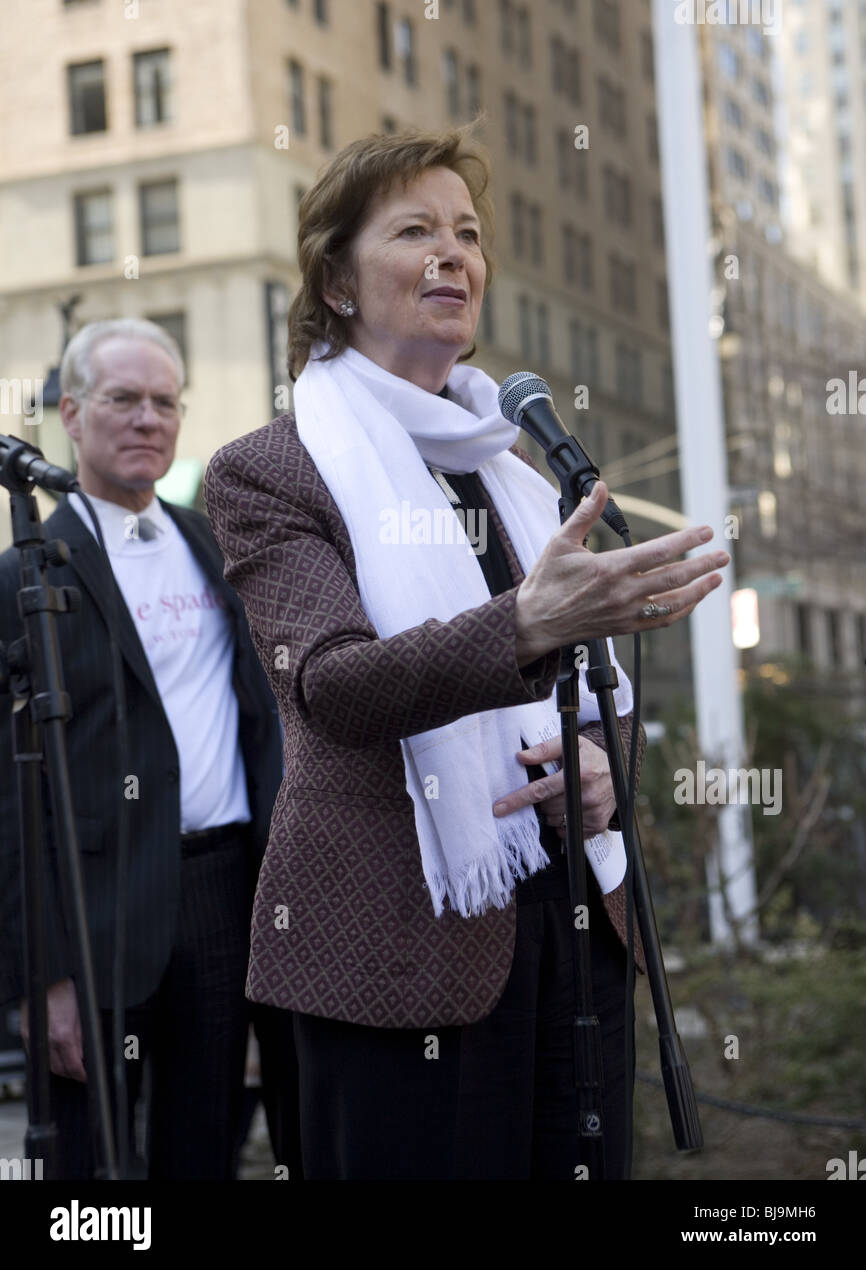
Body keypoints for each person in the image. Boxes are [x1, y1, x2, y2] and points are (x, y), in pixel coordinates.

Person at [203, 123, 729, 1181]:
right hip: (400, 945)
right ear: (338, 283)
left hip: (573, 927)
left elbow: (591, 697)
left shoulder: (513, 464)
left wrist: (598, 768)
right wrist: (528, 623)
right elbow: (334, 686)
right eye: (413, 231)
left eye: (468, 233)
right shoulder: (272, 471)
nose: (453, 254)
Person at [0, 319, 300, 1180]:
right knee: (88, 1166)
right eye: (122, 399)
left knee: (203, 1149)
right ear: (69, 414)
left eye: (164, 402)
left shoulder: (217, 548)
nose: (147, 419)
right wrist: (40, 975)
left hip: (220, 891)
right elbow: (7, 801)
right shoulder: (26, 573)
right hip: (92, 909)